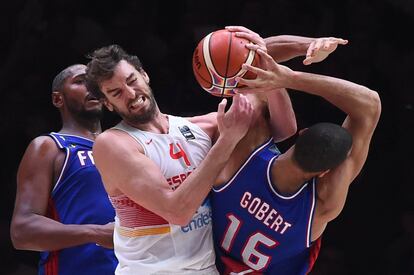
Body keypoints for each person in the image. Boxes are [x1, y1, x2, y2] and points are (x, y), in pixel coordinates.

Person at [84, 27, 348, 274]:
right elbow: (176, 212)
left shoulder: (199, 128)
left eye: (132, 80)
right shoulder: (113, 144)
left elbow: (283, 129)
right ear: (107, 104)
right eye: (116, 93)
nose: (130, 93)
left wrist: (298, 49)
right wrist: (227, 140)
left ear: (144, 74)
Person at [210, 48, 381, 274]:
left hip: (200, 261)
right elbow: (370, 105)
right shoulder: (322, 206)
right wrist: (288, 78)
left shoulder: (245, 150)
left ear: (302, 133)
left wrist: (286, 77)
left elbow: (254, 61)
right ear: (325, 172)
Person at [10, 64, 118, 275]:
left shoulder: (124, 146)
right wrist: (95, 232)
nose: (92, 87)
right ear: (58, 99)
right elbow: (22, 231)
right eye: (80, 81)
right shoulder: (49, 147)